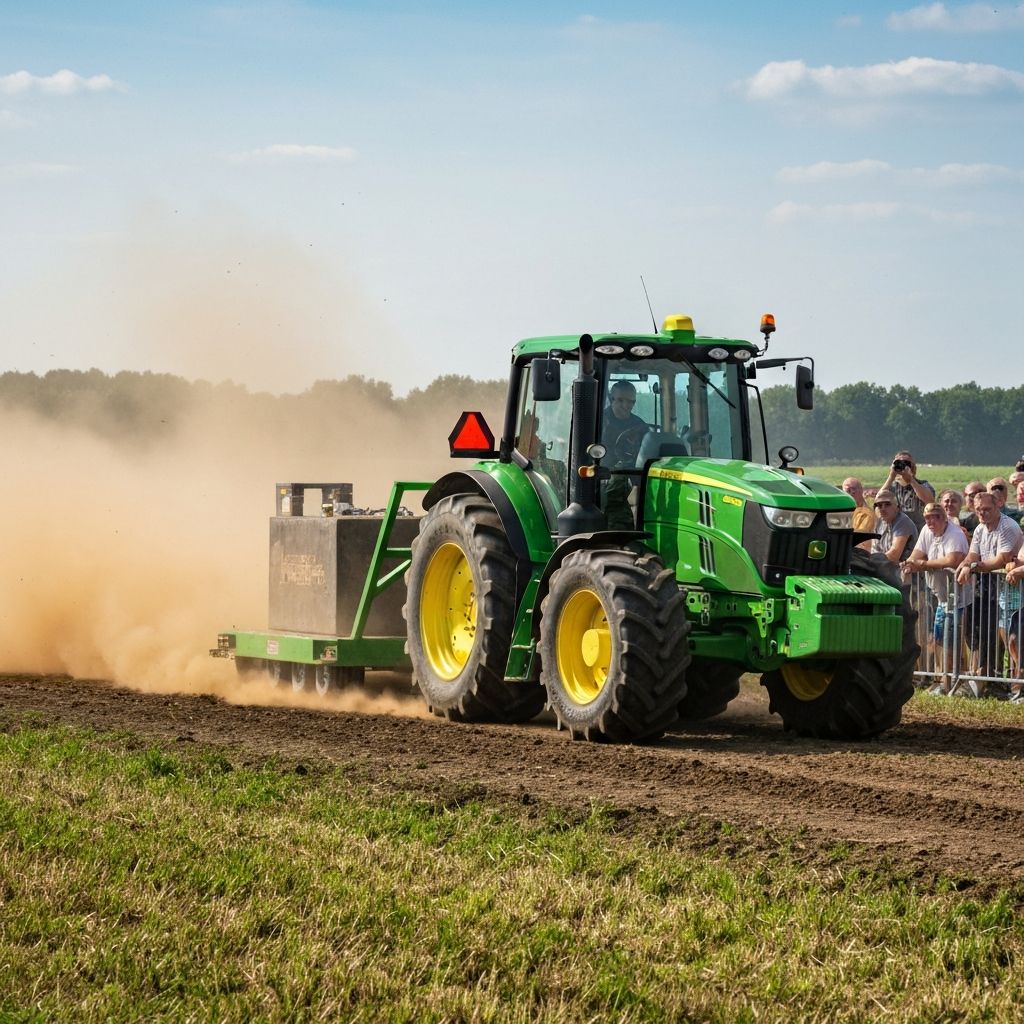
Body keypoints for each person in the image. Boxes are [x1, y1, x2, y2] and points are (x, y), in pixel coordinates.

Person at [954, 492, 1023, 695]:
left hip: (1013, 590)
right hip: (993, 590)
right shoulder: (980, 528)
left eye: (987, 509)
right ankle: (993, 682)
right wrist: (965, 564)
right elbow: (973, 554)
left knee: (1013, 639)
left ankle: (1015, 684)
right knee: (991, 638)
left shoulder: (1007, 526)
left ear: (997, 507)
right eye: (979, 510)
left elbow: (1001, 560)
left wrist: (973, 566)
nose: (982, 513)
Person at [902, 502, 970, 694]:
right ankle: (942, 680)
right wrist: (910, 563)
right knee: (939, 638)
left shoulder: (954, 534)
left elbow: (952, 560)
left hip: (958, 597)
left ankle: (953, 681)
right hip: (940, 596)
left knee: (953, 640)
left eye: (936, 516)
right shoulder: (926, 530)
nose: (931, 521)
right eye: (928, 517)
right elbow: (917, 553)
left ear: (944, 518)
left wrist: (922, 564)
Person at [600, 380, 648, 530]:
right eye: (621, 400)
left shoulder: (639, 425)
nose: (626, 405)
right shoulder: (598, 421)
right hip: (602, 476)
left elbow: (647, 453)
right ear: (610, 398)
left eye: (631, 402)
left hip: (634, 475)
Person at [880, 451, 934, 530]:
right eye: (899, 462)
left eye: (906, 463)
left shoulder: (923, 485)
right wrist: (891, 476)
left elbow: (929, 500)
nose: (903, 465)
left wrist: (911, 480)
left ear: (913, 467)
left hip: (918, 531)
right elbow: (879, 499)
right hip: (896, 531)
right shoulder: (891, 486)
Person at [871, 489, 917, 563]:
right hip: (883, 568)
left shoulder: (903, 522)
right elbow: (874, 550)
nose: (883, 508)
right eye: (879, 505)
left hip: (903, 571)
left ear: (897, 507)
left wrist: (870, 561)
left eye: (887, 504)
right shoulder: (879, 522)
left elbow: (894, 555)